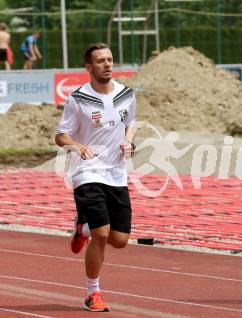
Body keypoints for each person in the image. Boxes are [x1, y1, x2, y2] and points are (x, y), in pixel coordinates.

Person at [55, 43, 137, 312]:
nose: (107, 64)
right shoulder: (78, 98)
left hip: (116, 173)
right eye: (101, 61)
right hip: (87, 171)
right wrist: (76, 146)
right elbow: (60, 135)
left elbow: (131, 123)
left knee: (120, 240)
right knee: (101, 234)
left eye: (110, 59)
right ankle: (93, 293)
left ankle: (83, 227)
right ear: (89, 68)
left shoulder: (127, 94)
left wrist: (130, 143)